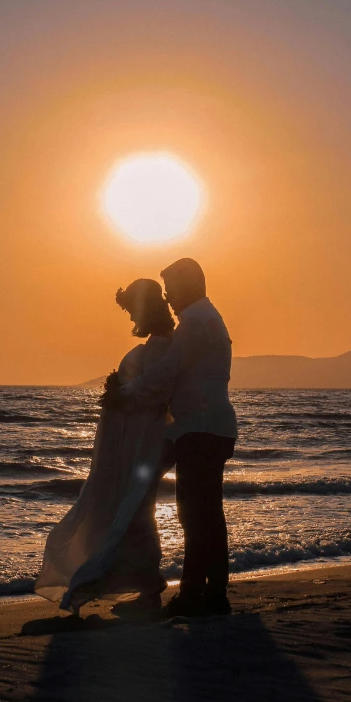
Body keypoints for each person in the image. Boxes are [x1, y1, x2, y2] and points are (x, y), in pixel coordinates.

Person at [35, 279, 174, 614]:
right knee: (136, 511)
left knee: (137, 511)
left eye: (131, 312)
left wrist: (119, 392)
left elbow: (155, 391)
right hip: (132, 444)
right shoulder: (159, 343)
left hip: (143, 444)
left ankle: (146, 584)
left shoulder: (162, 346)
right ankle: (144, 582)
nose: (130, 320)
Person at [120, 258, 237, 616]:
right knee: (208, 515)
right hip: (211, 426)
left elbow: (167, 371)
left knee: (194, 515)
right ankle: (214, 593)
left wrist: (124, 393)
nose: (168, 298)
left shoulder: (195, 323)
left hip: (200, 428)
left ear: (188, 285)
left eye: (171, 288)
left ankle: (192, 596)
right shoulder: (208, 318)